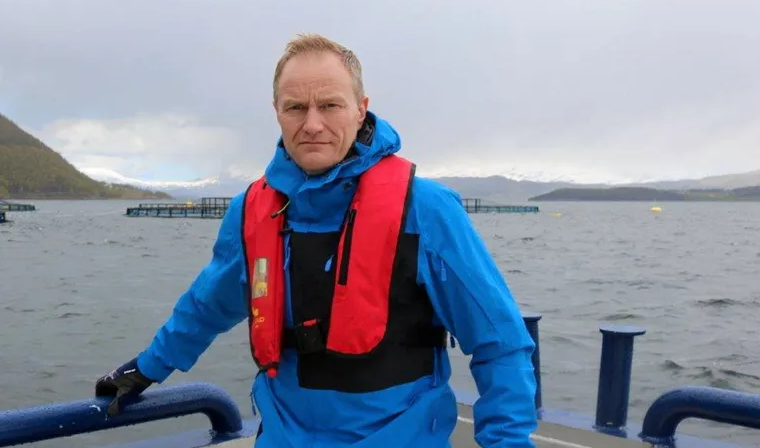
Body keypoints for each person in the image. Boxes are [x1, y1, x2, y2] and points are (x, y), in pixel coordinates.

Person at [96, 33, 538, 447]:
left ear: (360, 109)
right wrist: (147, 368)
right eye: (295, 108)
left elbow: (499, 342)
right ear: (275, 111)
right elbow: (206, 307)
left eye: (330, 105)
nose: (312, 124)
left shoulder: (426, 208)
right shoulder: (252, 210)